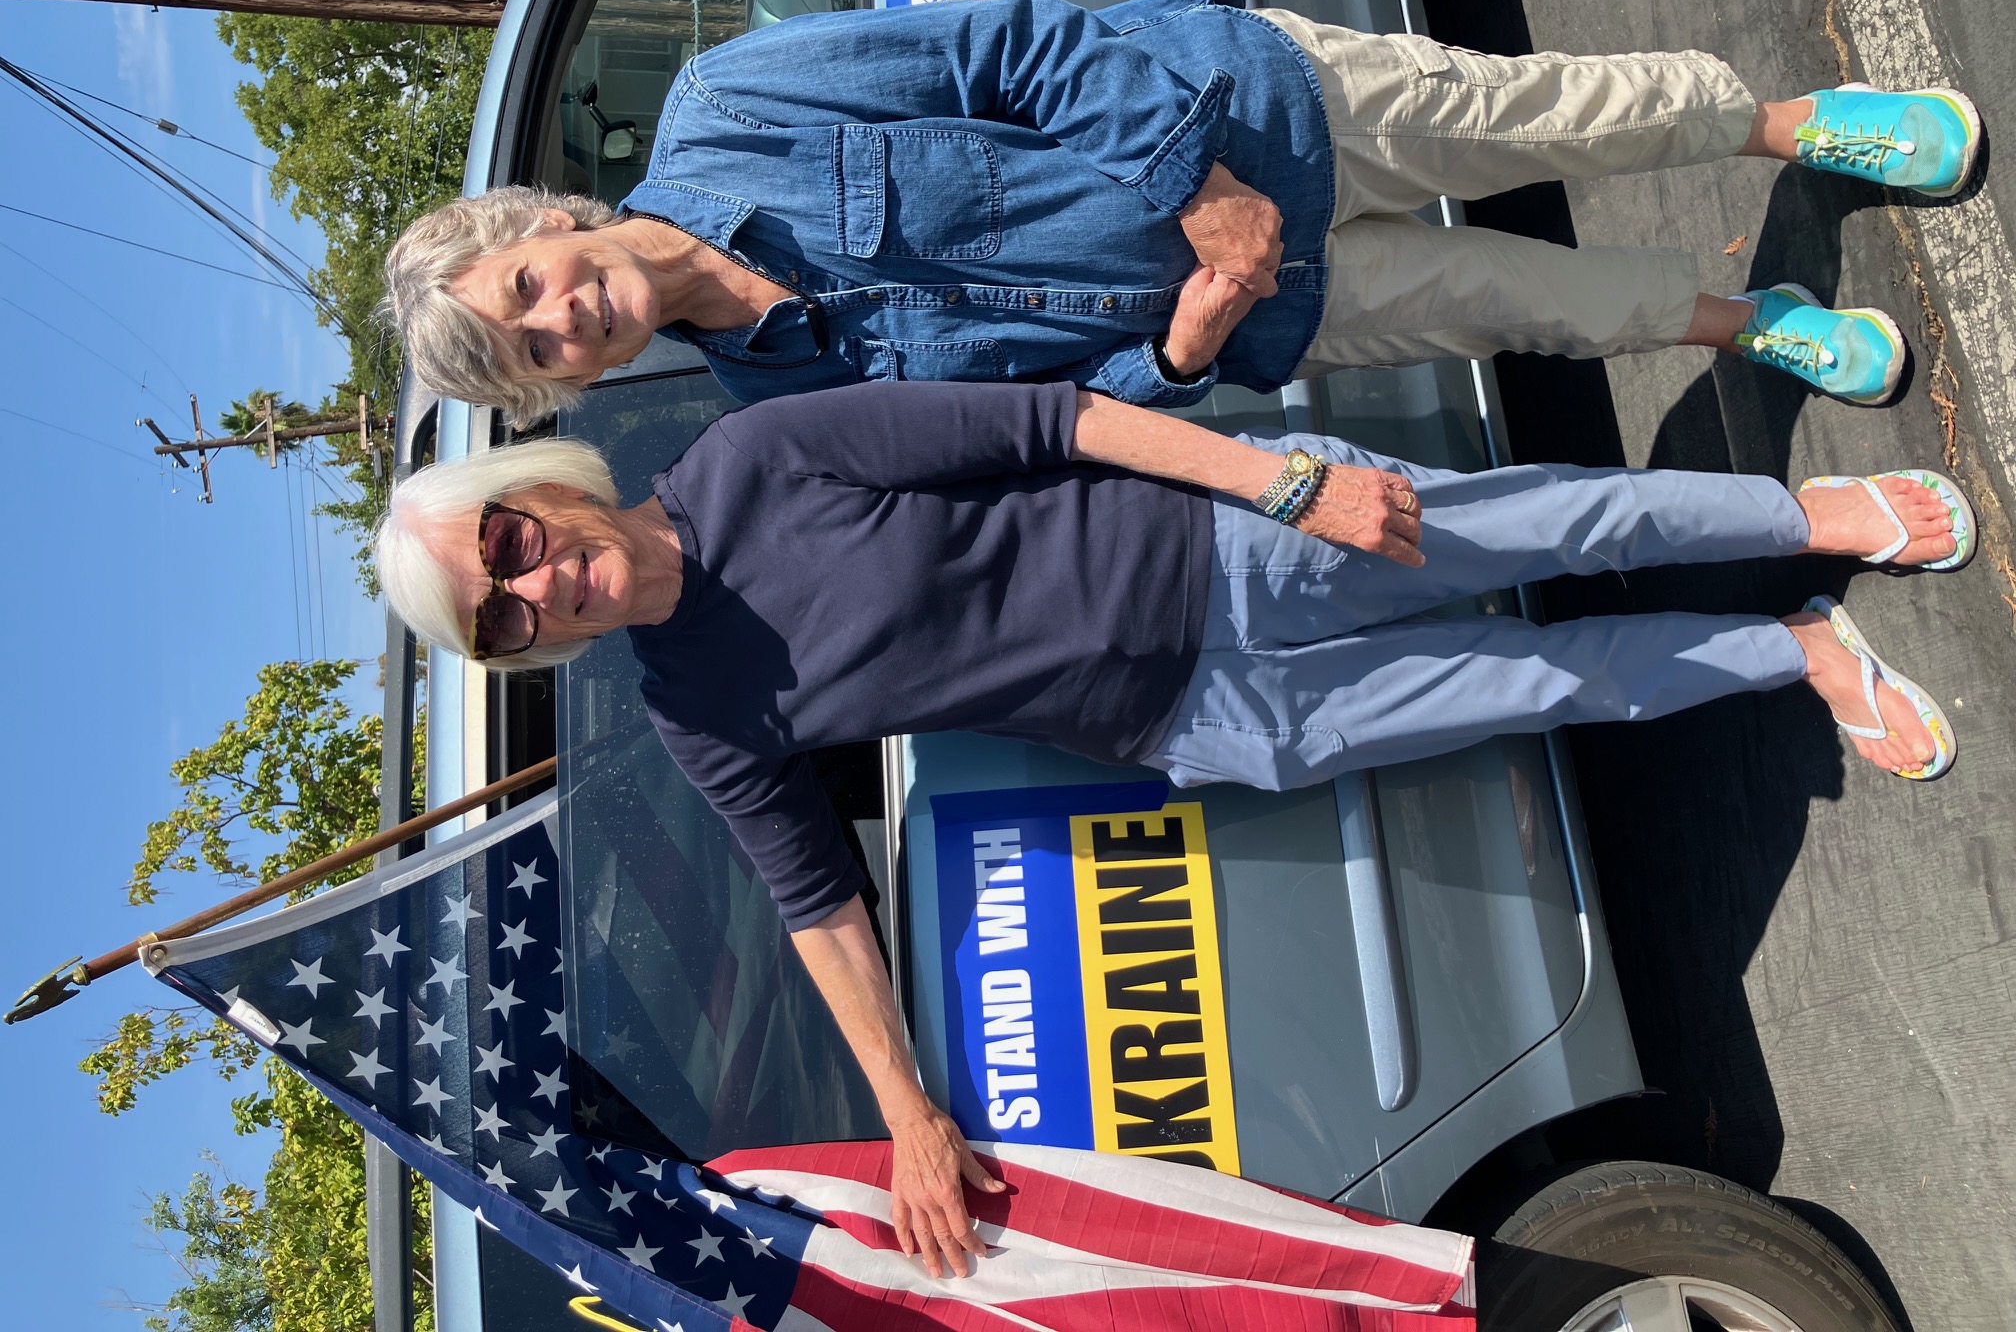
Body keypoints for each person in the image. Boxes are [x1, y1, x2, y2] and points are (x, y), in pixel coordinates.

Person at [375, 379, 1970, 1277]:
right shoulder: (692, 707)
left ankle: (1808, 518)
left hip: (1228, 545)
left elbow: (1047, 424)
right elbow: (817, 903)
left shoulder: (757, 459)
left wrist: (1280, 487)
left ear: (541, 487)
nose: (531, 587)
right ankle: (1795, 649)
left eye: (507, 545)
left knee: (1545, 520)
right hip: (1196, 721)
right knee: (1537, 682)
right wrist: (907, 1116)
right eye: (500, 619)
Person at [380, 0, 1981, 426]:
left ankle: (1794, 124)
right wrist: (1195, 349)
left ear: (542, 227)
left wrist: (1203, 193)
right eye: (535, 356)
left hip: (1254, 110)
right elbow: (1050, 412)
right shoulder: (777, 390)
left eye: (525, 294)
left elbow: (1009, 43)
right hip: (1264, 306)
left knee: (1541, 117)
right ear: (566, 386)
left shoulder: (731, 106)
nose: (559, 320)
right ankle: (1751, 320)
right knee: (1528, 310)